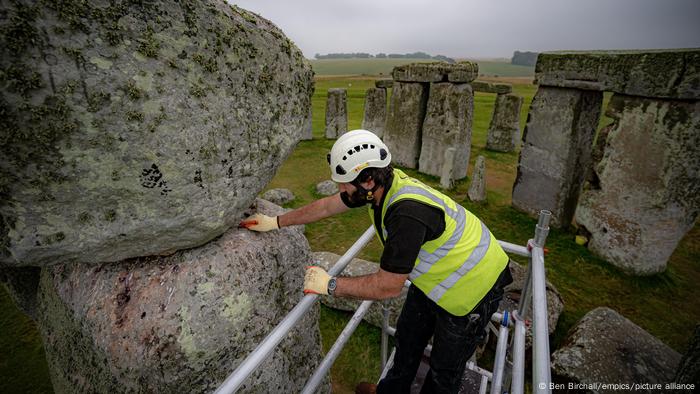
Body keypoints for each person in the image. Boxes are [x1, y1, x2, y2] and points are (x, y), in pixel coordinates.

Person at [239, 129, 512, 394]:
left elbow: (388, 286)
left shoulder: (406, 214)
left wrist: (331, 285)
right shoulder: (380, 185)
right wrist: (276, 221)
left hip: (474, 288)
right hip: (439, 277)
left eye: (344, 182)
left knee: (444, 370)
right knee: (406, 339)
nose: (341, 188)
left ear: (368, 181)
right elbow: (326, 206)